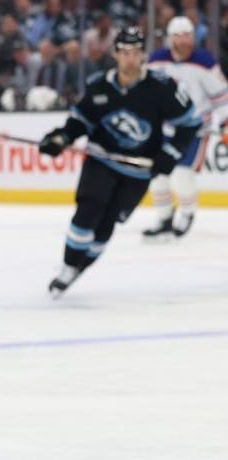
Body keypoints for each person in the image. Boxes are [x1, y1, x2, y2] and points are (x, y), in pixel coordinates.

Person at [39, 26, 200, 297]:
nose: (130, 58)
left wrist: (170, 153)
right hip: (101, 160)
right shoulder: (99, 86)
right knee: (88, 211)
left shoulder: (161, 87)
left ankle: (79, 268)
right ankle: (68, 266)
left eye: (135, 52)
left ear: (143, 55)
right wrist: (61, 138)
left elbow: (190, 122)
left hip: (138, 170)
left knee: (107, 223)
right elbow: (80, 122)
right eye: (124, 52)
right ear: (115, 54)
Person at [141, 16, 228, 240]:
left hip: (195, 130)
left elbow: (222, 97)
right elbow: (145, 93)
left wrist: (226, 122)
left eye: (187, 36)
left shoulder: (205, 62)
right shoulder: (156, 61)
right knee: (157, 174)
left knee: (181, 174)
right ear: (170, 39)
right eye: (178, 36)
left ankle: (187, 213)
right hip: (164, 129)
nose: (183, 41)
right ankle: (164, 218)